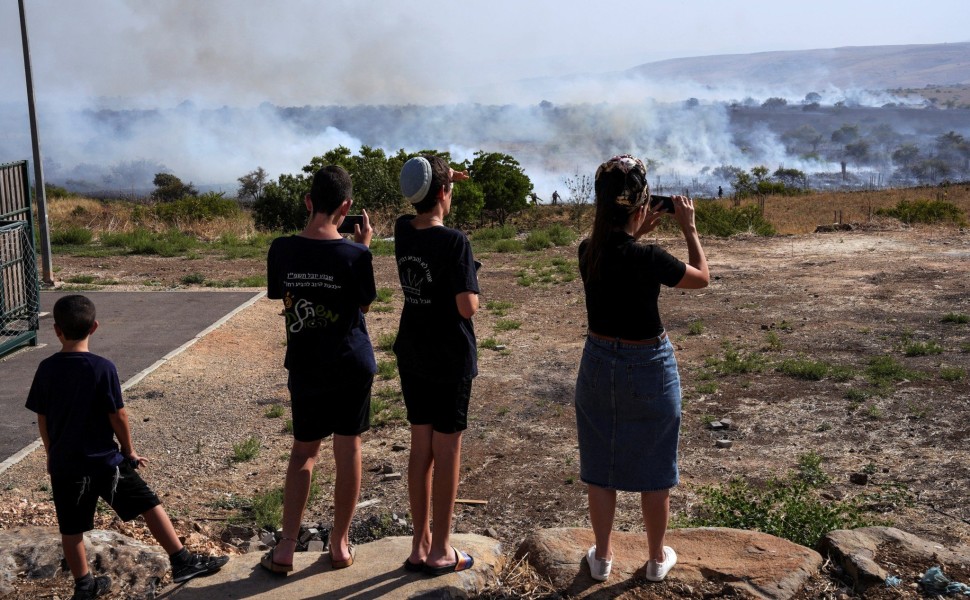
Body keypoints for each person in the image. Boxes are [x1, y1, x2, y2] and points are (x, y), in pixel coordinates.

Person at [25, 295, 229, 600]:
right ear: (94, 327)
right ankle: (181, 560)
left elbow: (42, 416)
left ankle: (84, 585)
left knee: (71, 528)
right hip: (106, 462)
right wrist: (128, 449)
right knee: (148, 503)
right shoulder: (102, 368)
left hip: (66, 464)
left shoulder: (46, 368)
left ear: (56, 330)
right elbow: (117, 414)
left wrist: (51, 451)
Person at [575, 155, 709, 583]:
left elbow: (617, 250)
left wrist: (636, 229)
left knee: (601, 463)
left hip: (597, 361)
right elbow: (701, 278)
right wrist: (689, 228)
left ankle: (601, 556)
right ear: (640, 204)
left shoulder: (587, 251)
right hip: (647, 363)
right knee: (654, 466)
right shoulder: (649, 258)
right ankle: (655, 559)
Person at [263, 165, 376, 574]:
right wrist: (362, 247)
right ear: (345, 207)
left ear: (309, 202)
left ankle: (286, 547)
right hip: (350, 362)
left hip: (306, 364)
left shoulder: (281, 248)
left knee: (303, 452)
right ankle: (340, 544)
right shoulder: (356, 255)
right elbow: (361, 306)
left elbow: (283, 294)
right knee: (348, 449)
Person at [394, 155, 479, 576]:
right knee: (448, 452)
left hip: (413, 351)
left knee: (421, 449)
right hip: (449, 357)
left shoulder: (400, 230)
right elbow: (467, 307)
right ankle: (443, 549)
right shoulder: (456, 242)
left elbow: (422, 194)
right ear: (444, 193)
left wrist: (441, 180)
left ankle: (419, 543)